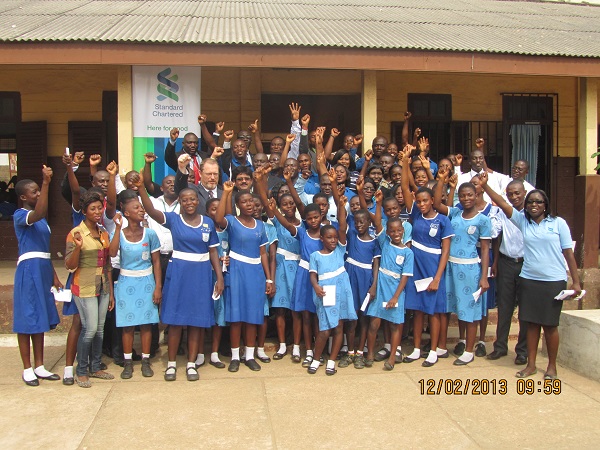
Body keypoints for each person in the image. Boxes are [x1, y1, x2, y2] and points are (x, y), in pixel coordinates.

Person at [480, 174, 582, 380]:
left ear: (545, 205)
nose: (534, 205)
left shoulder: (558, 223)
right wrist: (485, 186)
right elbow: (502, 202)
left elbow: (568, 253)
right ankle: (531, 365)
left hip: (553, 281)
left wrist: (576, 281)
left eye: (538, 202)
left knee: (550, 325)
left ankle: (552, 366)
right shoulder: (522, 222)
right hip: (529, 279)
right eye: (531, 202)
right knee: (531, 323)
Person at [137, 172, 224, 382]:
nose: (189, 203)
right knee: (176, 322)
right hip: (179, 274)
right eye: (184, 200)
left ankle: (192, 364)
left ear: (197, 201)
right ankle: (172, 364)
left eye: (192, 199)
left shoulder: (207, 223)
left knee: (196, 322)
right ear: (180, 203)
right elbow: (150, 209)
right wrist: (141, 188)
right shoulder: (174, 220)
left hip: (202, 274)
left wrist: (219, 278)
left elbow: (213, 252)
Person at [400, 147, 453, 367]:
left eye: (425, 201)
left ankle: (433, 350)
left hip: (433, 268)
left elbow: (446, 251)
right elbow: (404, 187)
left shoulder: (443, 220)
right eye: (418, 201)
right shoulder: (415, 214)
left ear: (433, 200)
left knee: (433, 310)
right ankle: (417, 349)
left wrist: (438, 277)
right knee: (418, 308)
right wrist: (404, 162)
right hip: (416, 266)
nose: (421, 204)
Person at [214, 181, 274, 372]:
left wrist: (269, 278)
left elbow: (263, 252)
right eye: (244, 202)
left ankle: (249, 356)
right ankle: (234, 357)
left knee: (252, 316)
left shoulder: (260, 225)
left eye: (251, 201)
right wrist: (226, 193)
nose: (249, 204)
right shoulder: (231, 221)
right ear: (238, 205)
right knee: (237, 317)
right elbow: (218, 218)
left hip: (255, 273)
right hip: (237, 271)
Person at [434, 173, 491, 366]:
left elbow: (484, 249)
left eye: (470, 195)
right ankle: (454, 342)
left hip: (469, 270)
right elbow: (437, 204)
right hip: (450, 266)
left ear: (476, 195)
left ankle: (469, 351)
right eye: (463, 195)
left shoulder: (483, 220)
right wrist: (441, 181)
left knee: (470, 310)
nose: (466, 199)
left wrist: (484, 277)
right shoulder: (455, 213)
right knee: (451, 307)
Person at [13, 167, 62, 386]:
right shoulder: (20, 215)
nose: (38, 195)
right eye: (34, 192)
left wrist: (53, 274)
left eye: (38, 191)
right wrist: (45, 183)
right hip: (29, 270)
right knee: (27, 319)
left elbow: (44, 250)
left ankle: (40, 365)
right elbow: (40, 212)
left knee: (39, 317)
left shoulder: (42, 222)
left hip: (42, 269)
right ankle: (27, 368)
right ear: (23, 197)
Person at [65, 190, 114, 388]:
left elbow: (108, 263)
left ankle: (95, 366)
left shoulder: (103, 232)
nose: (97, 211)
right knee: (89, 328)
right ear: (84, 211)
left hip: (102, 285)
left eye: (99, 208)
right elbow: (69, 265)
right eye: (92, 208)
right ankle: (82, 370)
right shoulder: (76, 233)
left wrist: (110, 291)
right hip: (84, 286)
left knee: (100, 328)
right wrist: (77, 247)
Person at [109, 199, 162, 379]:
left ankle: (146, 361)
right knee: (127, 326)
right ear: (127, 213)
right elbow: (112, 252)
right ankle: (128, 362)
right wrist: (116, 229)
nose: (141, 210)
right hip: (126, 281)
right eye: (136, 208)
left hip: (146, 281)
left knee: (146, 324)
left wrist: (158, 287)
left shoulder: (150, 234)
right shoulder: (120, 233)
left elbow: (156, 262)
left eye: (141, 207)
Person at [254, 168, 301, 361]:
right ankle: (282, 346)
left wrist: (289, 183)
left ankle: (297, 346)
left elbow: (299, 201)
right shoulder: (278, 222)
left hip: (298, 268)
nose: (289, 206)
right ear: (279, 207)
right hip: (281, 267)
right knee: (280, 309)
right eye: (285, 204)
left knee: (296, 311)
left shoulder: (303, 222)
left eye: (291, 203)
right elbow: (265, 202)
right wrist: (260, 181)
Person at [365, 190, 414, 370]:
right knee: (374, 322)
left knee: (395, 324)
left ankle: (393, 356)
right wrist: (378, 203)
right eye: (391, 231)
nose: (395, 233)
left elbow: (405, 277)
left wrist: (395, 297)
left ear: (403, 231)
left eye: (398, 230)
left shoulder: (408, 252)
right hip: (381, 286)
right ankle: (369, 353)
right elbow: (377, 222)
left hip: (396, 290)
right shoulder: (385, 242)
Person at [308, 196, 356, 375]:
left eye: (335, 238)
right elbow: (313, 275)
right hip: (325, 291)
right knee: (324, 329)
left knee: (339, 327)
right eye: (329, 238)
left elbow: (342, 226)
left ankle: (332, 361)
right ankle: (316, 358)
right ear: (322, 239)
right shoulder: (316, 256)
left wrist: (342, 206)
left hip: (342, 290)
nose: (333, 241)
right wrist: (316, 287)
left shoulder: (340, 250)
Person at [486, 180, 529, 365]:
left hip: (527, 265)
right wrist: (495, 262)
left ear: (525, 192)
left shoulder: (532, 214)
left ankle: (522, 350)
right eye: (510, 194)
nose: (514, 197)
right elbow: (497, 238)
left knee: (525, 310)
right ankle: (500, 347)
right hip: (506, 263)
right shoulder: (504, 212)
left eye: (517, 193)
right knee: (504, 307)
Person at [342, 207, 381, 369]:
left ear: (369, 223)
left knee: (364, 319)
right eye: (356, 222)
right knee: (351, 319)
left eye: (362, 221)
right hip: (350, 279)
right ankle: (350, 352)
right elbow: (344, 220)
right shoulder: (351, 236)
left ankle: (360, 353)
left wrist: (373, 286)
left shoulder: (374, 242)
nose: (358, 225)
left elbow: (376, 266)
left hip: (366, 281)